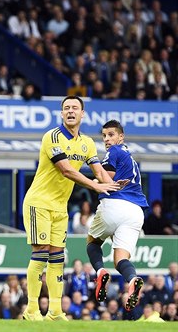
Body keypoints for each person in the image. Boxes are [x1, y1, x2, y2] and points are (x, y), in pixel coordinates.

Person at [21, 96, 121, 321]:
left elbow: (98, 171)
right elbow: (66, 170)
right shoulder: (52, 137)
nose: (70, 111)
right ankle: (31, 310)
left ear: (82, 113)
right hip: (39, 203)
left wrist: (116, 186)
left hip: (59, 207)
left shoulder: (86, 143)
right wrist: (97, 186)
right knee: (41, 253)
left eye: (75, 108)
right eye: (66, 108)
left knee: (57, 258)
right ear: (61, 114)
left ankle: (55, 311)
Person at [86, 120, 149, 312]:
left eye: (111, 135)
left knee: (93, 242)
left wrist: (89, 180)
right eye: (104, 136)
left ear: (121, 137)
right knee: (121, 259)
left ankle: (100, 271)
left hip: (115, 204)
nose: (106, 139)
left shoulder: (114, 151)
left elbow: (107, 177)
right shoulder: (130, 158)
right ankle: (133, 279)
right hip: (136, 212)